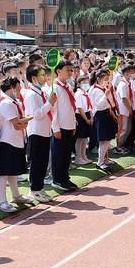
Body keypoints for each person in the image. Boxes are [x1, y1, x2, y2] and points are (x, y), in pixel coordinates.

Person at [0, 77, 34, 213]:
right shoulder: (6, 103)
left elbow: (19, 123)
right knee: (4, 173)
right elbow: (17, 125)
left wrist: (23, 121)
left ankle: (16, 195)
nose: (19, 90)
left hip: (16, 141)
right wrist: (29, 118)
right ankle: (2, 201)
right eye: (18, 87)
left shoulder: (14, 102)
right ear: (11, 87)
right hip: (8, 141)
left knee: (12, 171)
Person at [23, 65, 56, 203]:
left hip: (44, 131)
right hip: (36, 133)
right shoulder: (31, 95)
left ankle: (39, 188)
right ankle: (34, 190)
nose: (45, 77)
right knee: (37, 163)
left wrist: (50, 103)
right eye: (42, 75)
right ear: (34, 78)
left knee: (42, 163)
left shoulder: (41, 92)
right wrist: (49, 103)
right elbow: (36, 115)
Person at [50, 60, 78, 192]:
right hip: (60, 126)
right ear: (58, 71)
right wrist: (55, 128)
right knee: (59, 155)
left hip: (69, 125)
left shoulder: (69, 86)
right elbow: (54, 110)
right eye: (67, 69)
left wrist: (73, 124)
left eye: (70, 70)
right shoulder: (54, 87)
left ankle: (65, 178)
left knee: (66, 154)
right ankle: (57, 179)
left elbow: (71, 107)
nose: (70, 72)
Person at [74, 75, 93, 165]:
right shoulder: (78, 94)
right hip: (81, 116)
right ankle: (78, 157)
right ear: (78, 84)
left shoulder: (86, 93)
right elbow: (80, 108)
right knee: (80, 138)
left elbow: (89, 106)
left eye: (87, 82)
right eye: (83, 82)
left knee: (85, 138)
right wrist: (86, 119)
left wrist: (91, 117)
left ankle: (83, 155)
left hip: (87, 115)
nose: (86, 84)